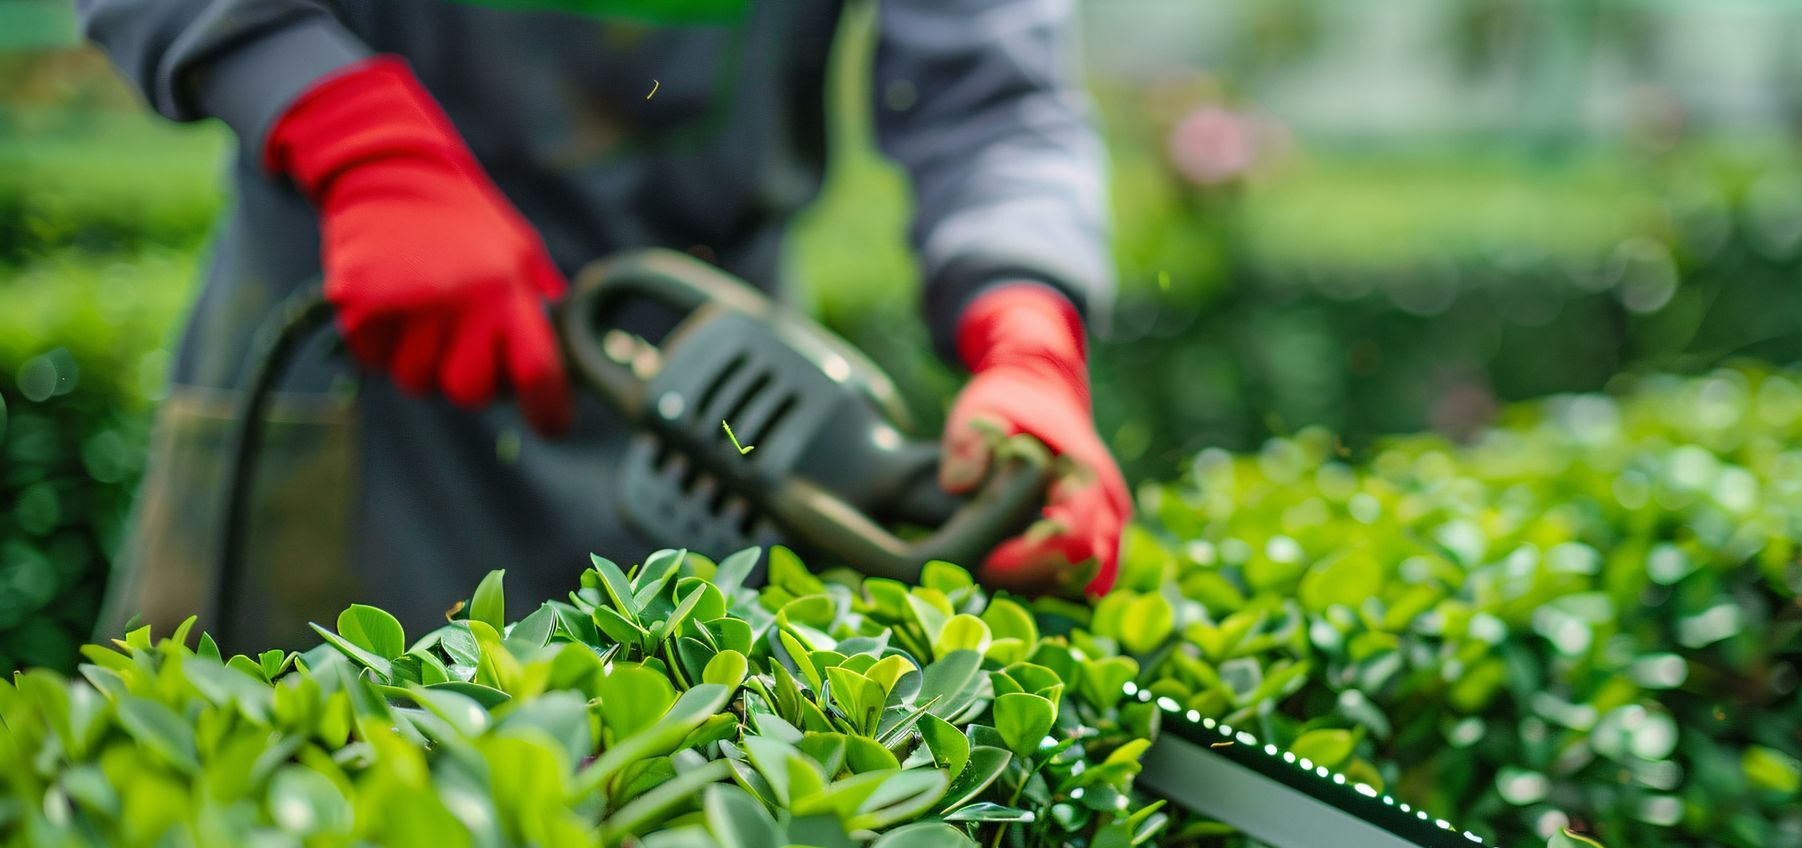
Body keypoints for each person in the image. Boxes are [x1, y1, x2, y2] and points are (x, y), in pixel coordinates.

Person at [75, 0, 1131, 648]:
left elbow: (996, 104)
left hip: (728, 444)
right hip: (347, 382)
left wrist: (1028, 338)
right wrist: (351, 135)